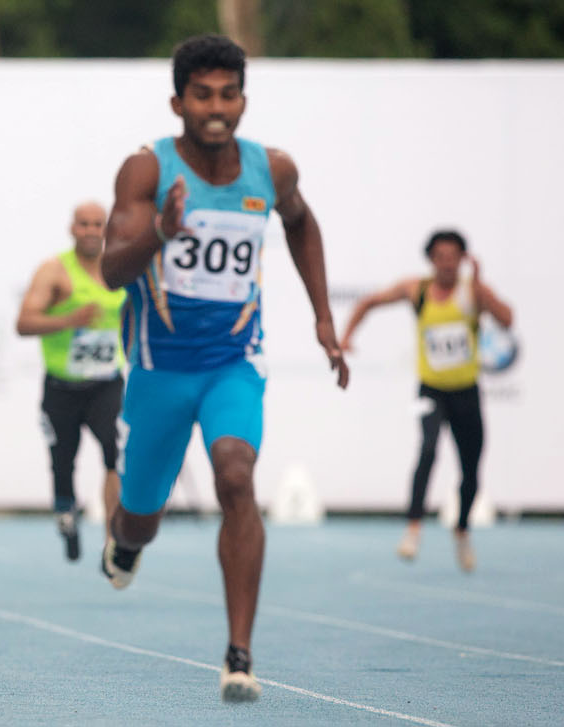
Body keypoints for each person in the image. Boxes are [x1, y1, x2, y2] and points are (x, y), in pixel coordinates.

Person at [99, 35, 349, 701]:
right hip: (158, 370)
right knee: (139, 517)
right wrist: (160, 232)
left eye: (228, 94)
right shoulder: (145, 172)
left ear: (242, 99)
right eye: (202, 95)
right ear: (177, 101)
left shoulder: (270, 169)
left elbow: (300, 225)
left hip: (232, 363)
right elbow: (109, 270)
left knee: (236, 473)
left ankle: (238, 654)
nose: (216, 108)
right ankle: (124, 540)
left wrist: (322, 317)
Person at [339, 230, 512, 572]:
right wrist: (347, 336)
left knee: (470, 468)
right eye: (440, 257)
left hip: (466, 392)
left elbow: (507, 320)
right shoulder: (416, 290)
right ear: (431, 260)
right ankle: (413, 527)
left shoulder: (472, 291)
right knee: (428, 448)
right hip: (430, 391)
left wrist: (480, 292)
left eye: (453, 257)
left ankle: (462, 528)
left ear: (463, 259)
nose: (446, 264)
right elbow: (367, 302)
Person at [15, 201, 126, 561]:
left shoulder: (121, 268)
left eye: (98, 224)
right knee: (63, 465)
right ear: (72, 228)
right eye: (84, 224)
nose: (92, 230)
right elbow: (24, 323)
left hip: (107, 383)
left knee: (116, 452)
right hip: (62, 387)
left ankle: (114, 536)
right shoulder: (54, 272)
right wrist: (69, 319)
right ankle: (67, 517)